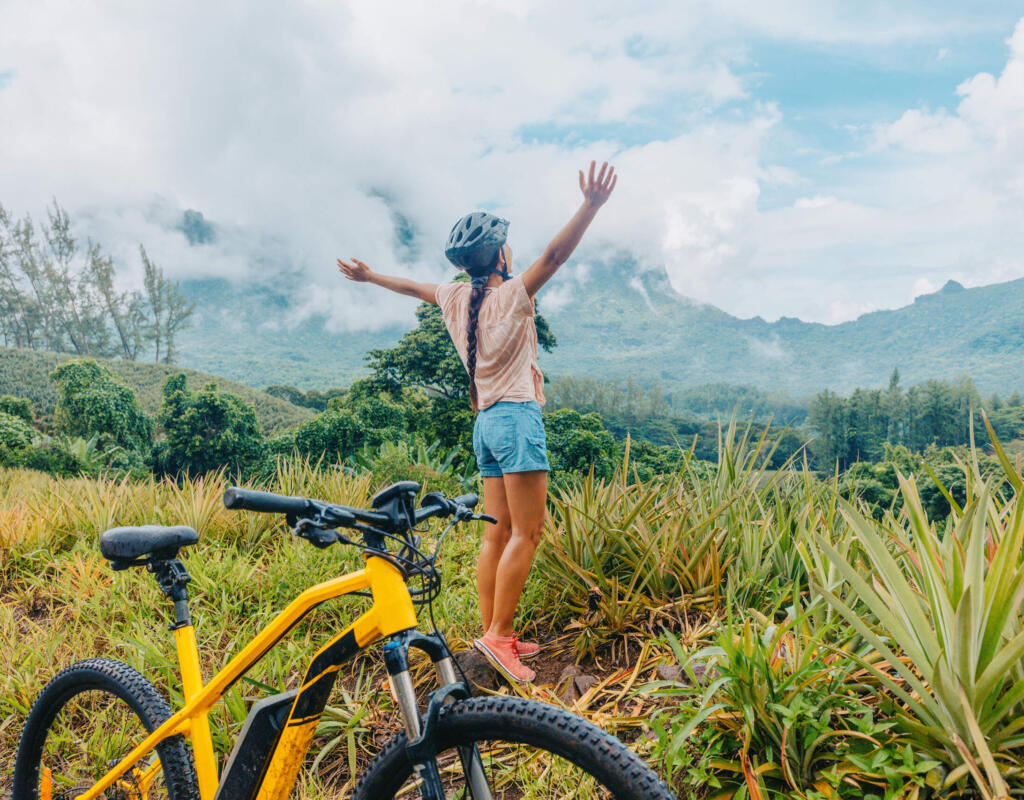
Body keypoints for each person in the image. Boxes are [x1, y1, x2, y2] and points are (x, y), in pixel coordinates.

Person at [338, 161, 617, 682]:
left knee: (497, 533)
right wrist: (590, 206)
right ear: (500, 256)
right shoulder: (512, 296)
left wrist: (369, 276)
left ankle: (495, 631)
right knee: (527, 532)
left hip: (485, 424)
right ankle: (498, 637)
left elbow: (412, 288)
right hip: (516, 419)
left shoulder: (455, 297)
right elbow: (554, 257)